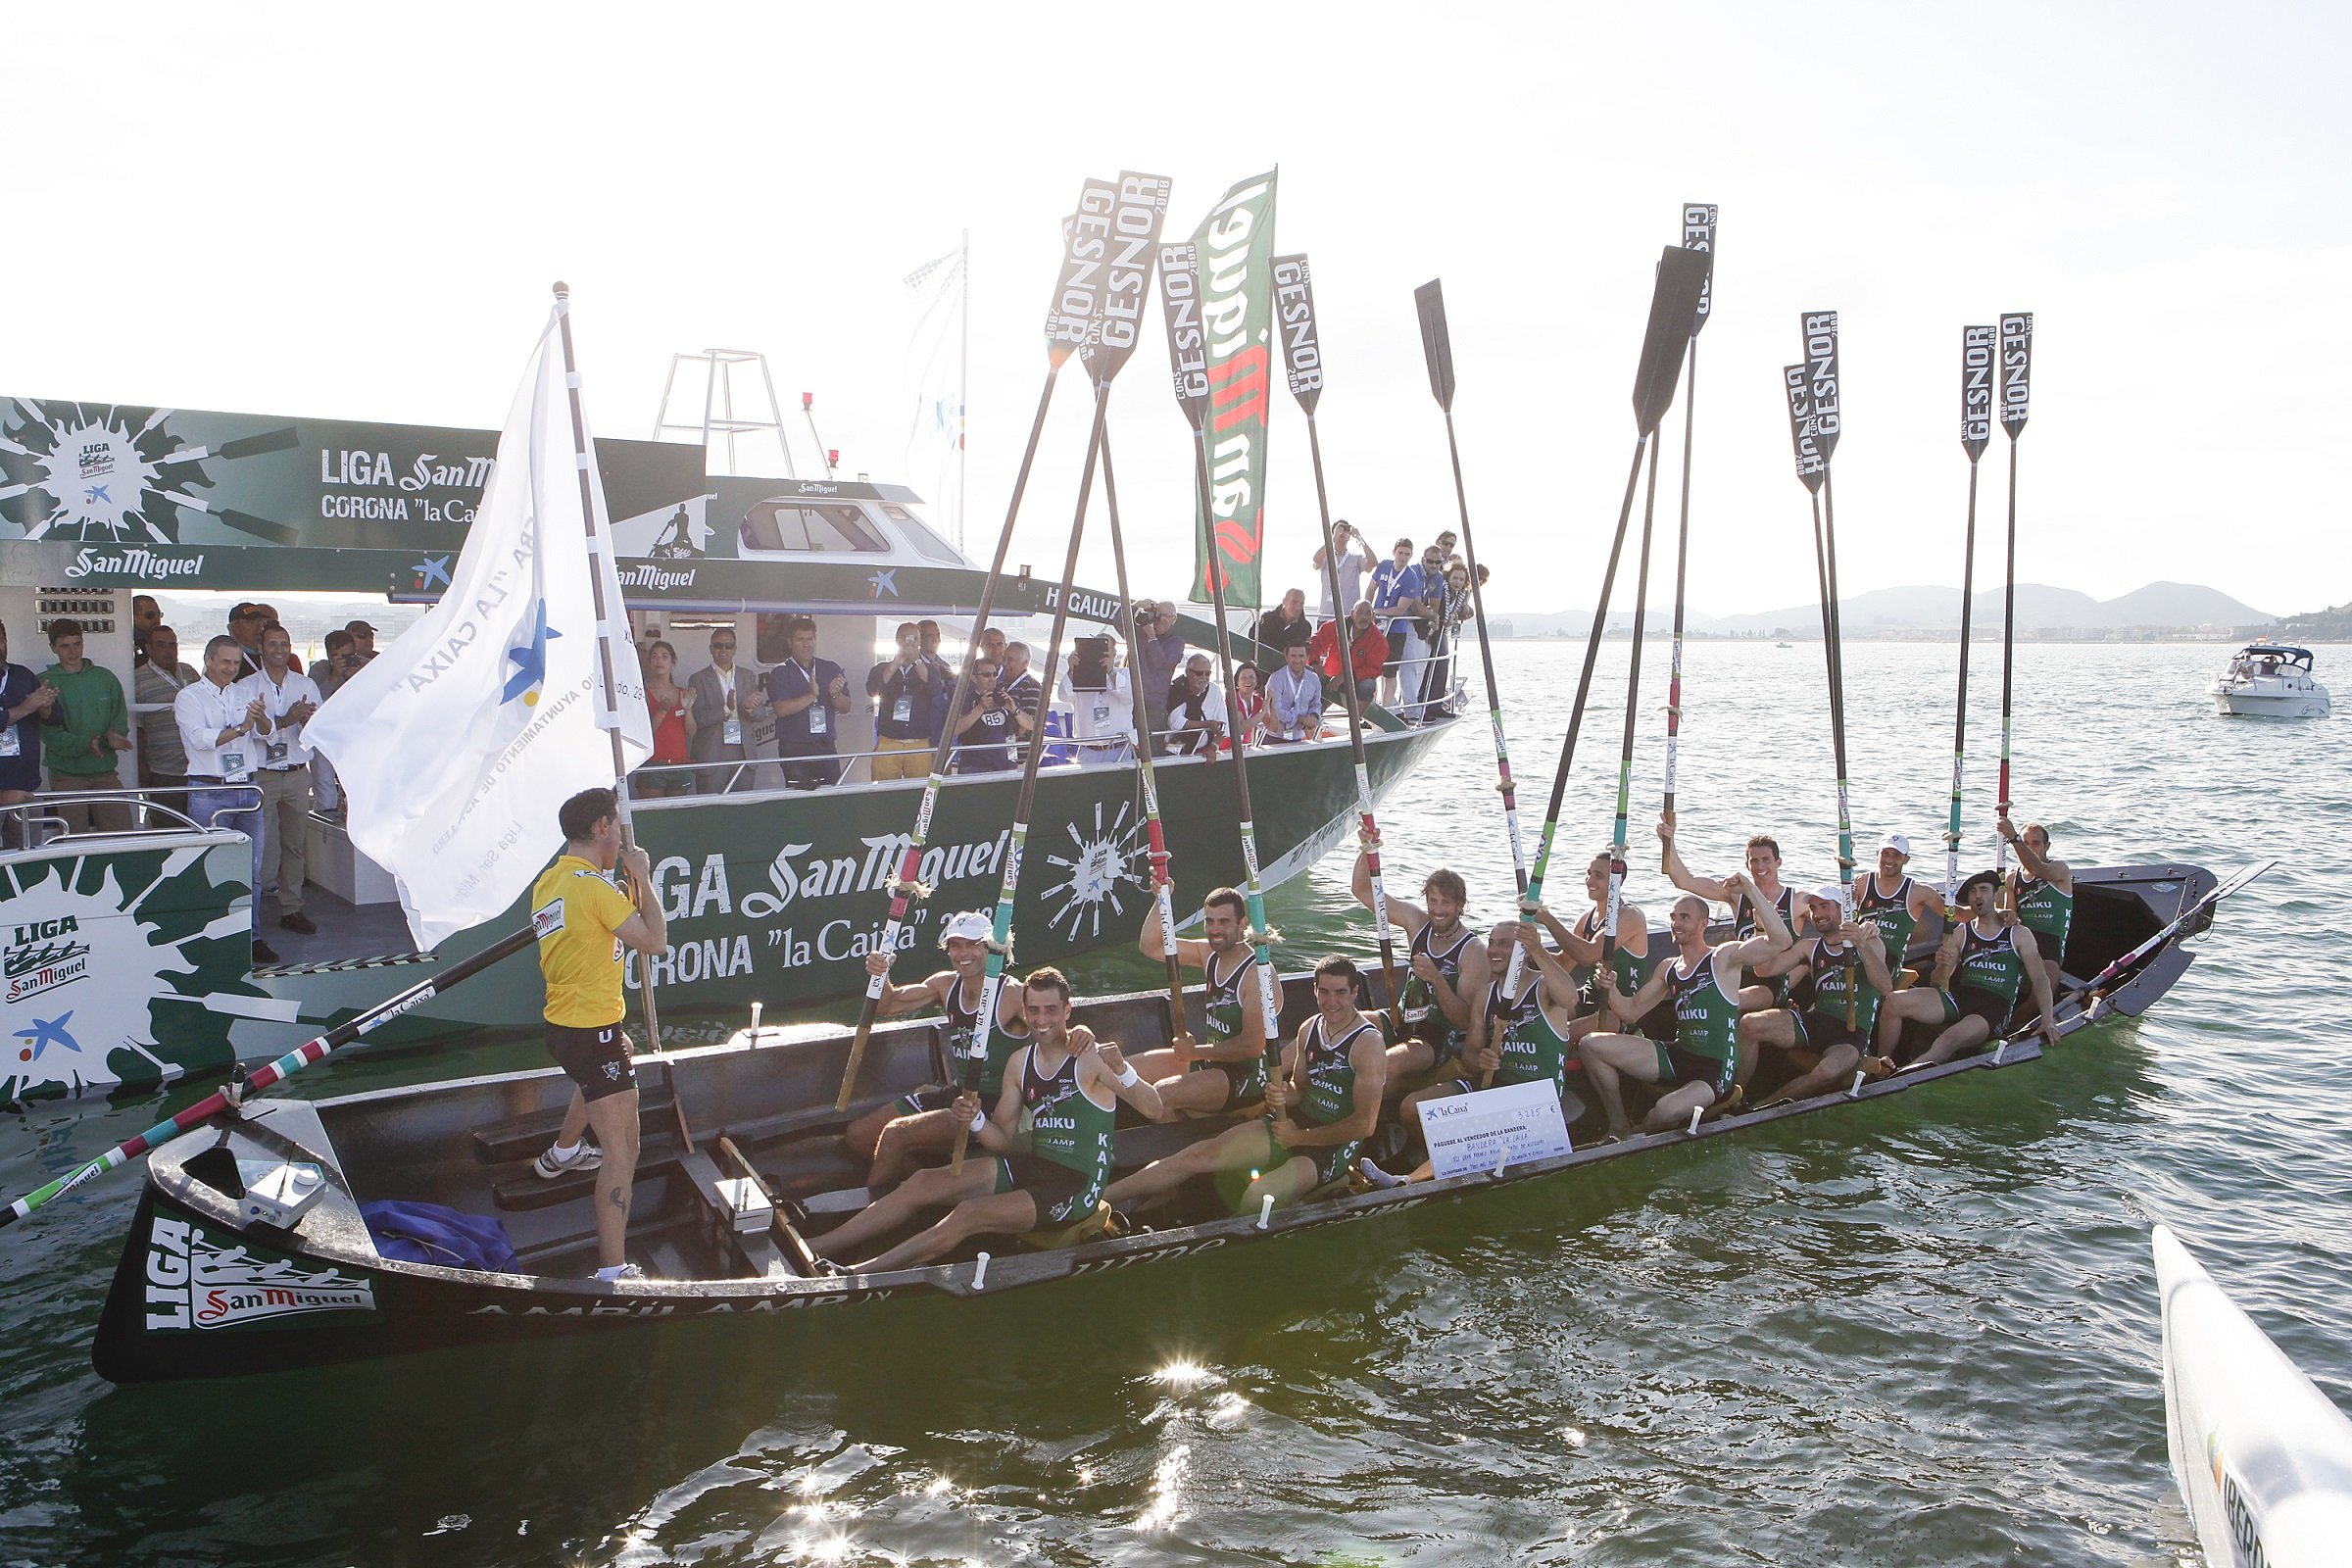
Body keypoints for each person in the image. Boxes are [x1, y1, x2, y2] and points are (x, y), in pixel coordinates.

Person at [812, 968, 1164, 1272]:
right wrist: (977, 1119)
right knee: (922, 1182)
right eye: (1035, 1010)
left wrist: (1124, 1071)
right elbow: (1003, 1140)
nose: (1042, 1020)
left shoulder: (1091, 1059)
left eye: (1052, 1010)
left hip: (1075, 1187)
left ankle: (854, 1272)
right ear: (1024, 1012)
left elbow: (1155, 1110)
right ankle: (820, 1246)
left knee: (968, 1214)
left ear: (1068, 1010)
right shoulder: (1020, 1063)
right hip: (1033, 1165)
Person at [1104, 956, 1387, 1215]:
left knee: (1258, 1195)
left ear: (1355, 993)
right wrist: (1284, 1095)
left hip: (1330, 1147)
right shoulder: (1309, 1028)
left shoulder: (1367, 1044)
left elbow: (1364, 1124)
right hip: (1290, 1125)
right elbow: (1299, 1090)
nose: (1331, 1001)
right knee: (1196, 1155)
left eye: (1340, 992)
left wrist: (1300, 1138)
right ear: (1315, 991)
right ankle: (1103, 1199)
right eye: (1323, 992)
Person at [527, 788, 670, 1282]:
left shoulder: (552, 882)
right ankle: (612, 1270)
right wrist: (644, 877)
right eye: (615, 827)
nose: (620, 838)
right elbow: (655, 942)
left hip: (565, 1026)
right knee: (623, 1149)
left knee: (609, 1062)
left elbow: (595, 922)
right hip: (591, 1031)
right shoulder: (594, 889)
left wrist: (621, 880)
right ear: (602, 828)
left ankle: (563, 1153)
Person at [1577, 874, 1792, 1139]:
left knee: (1664, 1111)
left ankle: (1640, 1135)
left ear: (1704, 924)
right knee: (1590, 1044)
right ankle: (1619, 1125)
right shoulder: (1668, 967)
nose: (1676, 923)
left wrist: (1749, 889)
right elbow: (1629, 1011)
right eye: (1673, 917)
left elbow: (1781, 941)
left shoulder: (1723, 957)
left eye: (1684, 917)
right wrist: (1610, 989)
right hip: (1679, 1055)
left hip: (1714, 1069)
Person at [1381, 919, 1582, 1183]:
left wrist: (1538, 950)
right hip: (1493, 1086)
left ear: (1524, 950)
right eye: (1491, 942)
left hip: (1536, 1100)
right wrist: (1481, 1060)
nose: (1493, 950)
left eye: (1504, 944)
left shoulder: (1544, 988)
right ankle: (1443, 1168)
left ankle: (1409, 1181)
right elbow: (1470, 1055)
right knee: (1412, 1107)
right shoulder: (1486, 996)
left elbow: (1570, 998)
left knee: (1472, 1130)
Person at [845, 910, 1031, 1187]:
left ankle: (876, 1210)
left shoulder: (1014, 994)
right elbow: (887, 1005)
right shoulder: (945, 984)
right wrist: (881, 975)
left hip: (995, 1105)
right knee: (858, 1135)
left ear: (991, 948)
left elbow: (1054, 1032)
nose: (963, 953)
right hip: (958, 1092)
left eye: (972, 944)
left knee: (896, 1134)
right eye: (955, 945)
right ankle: (926, 1184)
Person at [1883, 869, 2060, 1069]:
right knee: (1893, 1002)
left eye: (1984, 890)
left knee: (1948, 1039)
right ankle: (1881, 1066)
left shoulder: (2018, 933)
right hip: (1962, 996)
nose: (1978, 896)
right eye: (1972, 892)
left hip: (1993, 1006)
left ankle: (1900, 1077)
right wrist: (1942, 965)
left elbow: (2040, 979)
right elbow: (1938, 983)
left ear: (1995, 895)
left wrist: (2048, 1020)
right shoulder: (1961, 933)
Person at [1738, 887, 1898, 1106]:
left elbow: (1885, 987)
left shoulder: (1870, 941)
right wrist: (1760, 927)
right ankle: (1736, 1097)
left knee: (1826, 1071)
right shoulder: (1808, 947)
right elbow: (1764, 970)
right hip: (1817, 1021)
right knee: (1748, 1025)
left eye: (1824, 906)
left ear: (1843, 911)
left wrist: (1860, 944)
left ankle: (1762, 1106)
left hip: (1851, 1034)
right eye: (1813, 908)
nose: (1818, 913)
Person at [1119, 889, 1269, 1118]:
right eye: (1209, 921)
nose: (1215, 930)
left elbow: (1251, 1046)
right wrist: (1162, 897)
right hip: (1210, 1063)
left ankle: (1177, 1145)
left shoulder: (1256, 976)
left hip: (1246, 1076)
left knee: (1160, 1095)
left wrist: (1195, 1052)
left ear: (1242, 924)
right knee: (1120, 1072)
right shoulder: (1209, 954)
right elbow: (1151, 946)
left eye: (1224, 922)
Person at [174, 634, 277, 963]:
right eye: (225, 662)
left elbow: (269, 734)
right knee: (208, 866)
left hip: (246, 788)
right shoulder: (189, 697)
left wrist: (259, 718)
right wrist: (242, 727)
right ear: (208, 660)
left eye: (235, 662)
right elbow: (201, 740)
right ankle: (209, 935)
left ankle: (252, 936)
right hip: (209, 789)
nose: (231, 668)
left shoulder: (244, 692)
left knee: (253, 869)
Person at [1352, 835, 1487, 1088]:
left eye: (1445, 903)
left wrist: (1437, 979)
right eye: (1432, 901)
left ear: (1460, 906)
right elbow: (1363, 892)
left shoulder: (1473, 952)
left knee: (1385, 1064)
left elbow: (1465, 1021)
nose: (1437, 910)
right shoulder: (1417, 922)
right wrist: (1367, 848)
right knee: (1336, 1026)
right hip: (1399, 1018)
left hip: (1433, 1038)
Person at [1659, 816, 1806, 1008]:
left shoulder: (1797, 900)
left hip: (1771, 982)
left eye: (1766, 860)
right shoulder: (1737, 895)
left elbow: (1831, 915)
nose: (1760, 867)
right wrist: (1668, 841)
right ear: (1747, 865)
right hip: (1736, 974)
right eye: (1754, 861)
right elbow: (1684, 881)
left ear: (1778, 862)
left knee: (1724, 1003)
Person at [249, 624, 323, 934]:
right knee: (260, 846)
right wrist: (287, 720)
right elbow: (252, 731)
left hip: (295, 775)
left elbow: (320, 731)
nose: (279, 649)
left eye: (284, 643)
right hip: (262, 775)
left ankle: (291, 909)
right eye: (273, 644)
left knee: (294, 846)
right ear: (261, 648)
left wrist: (307, 722)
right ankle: (253, 914)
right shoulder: (247, 686)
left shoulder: (305, 684)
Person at [37, 618, 134, 833]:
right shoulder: (44, 682)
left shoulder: (105, 678)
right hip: (66, 774)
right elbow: (49, 734)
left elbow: (119, 716)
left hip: (105, 771)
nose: (73, 651)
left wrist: (115, 735)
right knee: (73, 836)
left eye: (77, 644)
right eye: (65, 646)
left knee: (123, 833)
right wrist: (85, 744)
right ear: (53, 647)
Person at [1998, 813, 2075, 1003]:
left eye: (2035, 843)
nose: (2030, 848)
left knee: (2043, 991)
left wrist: (2014, 839)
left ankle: (2018, 1027)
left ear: (2047, 847)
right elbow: (2009, 915)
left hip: (2050, 946)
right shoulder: (2012, 878)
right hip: (2023, 941)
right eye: (2025, 843)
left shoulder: (2059, 870)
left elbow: (2038, 870)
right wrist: (2005, 915)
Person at [764, 617, 849, 788]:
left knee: (831, 799)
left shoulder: (830, 668)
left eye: (810, 639)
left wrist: (835, 694)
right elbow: (781, 709)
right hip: (795, 749)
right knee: (799, 803)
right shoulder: (780, 672)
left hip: (826, 747)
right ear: (790, 642)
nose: (806, 644)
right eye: (800, 639)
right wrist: (811, 695)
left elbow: (846, 707)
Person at [690, 624, 768, 794]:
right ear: (711, 649)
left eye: (728, 646)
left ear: (735, 649)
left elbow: (761, 714)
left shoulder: (747, 676)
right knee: (711, 810)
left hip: (743, 751)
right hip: (713, 752)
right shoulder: (698, 679)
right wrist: (726, 709)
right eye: (718, 645)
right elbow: (699, 719)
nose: (723, 649)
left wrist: (748, 707)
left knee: (743, 809)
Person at [0, 621, 56, 847]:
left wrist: (45, 705)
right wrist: (26, 707)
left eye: (1, 639)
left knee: (28, 861)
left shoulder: (23, 675)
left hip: (25, 787)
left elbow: (54, 719)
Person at [866, 622, 938, 783]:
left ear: (919, 642)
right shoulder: (882, 668)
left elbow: (935, 689)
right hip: (888, 741)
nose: (909, 643)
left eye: (913, 639)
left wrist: (916, 662)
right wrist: (895, 665)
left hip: (919, 743)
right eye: (905, 639)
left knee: (919, 791)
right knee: (883, 790)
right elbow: (873, 689)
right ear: (897, 641)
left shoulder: (930, 668)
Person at [134, 626, 199, 795]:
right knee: (167, 820)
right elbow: (137, 729)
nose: (168, 650)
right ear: (149, 648)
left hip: (198, 765)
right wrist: (142, 767)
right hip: (163, 769)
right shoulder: (137, 679)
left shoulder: (190, 672)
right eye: (161, 645)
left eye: (172, 645)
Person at [1059, 637, 1134, 767]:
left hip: (1118, 750)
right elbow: (1063, 696)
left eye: (1105, 649)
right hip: (1087, 751)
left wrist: (1111, 672)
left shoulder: (1125, 674)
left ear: (1114, 653)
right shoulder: (1078, 677)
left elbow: (1130, 696)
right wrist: (1072, 671)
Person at [952, 657, 1029, 773]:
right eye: (987, 675)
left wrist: (1014, 709)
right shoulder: (966, 699)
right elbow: (956, 729)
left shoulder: (1003, 697)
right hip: (976, 768)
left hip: (1007, 765)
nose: (992, 679)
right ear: (974, 677)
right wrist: (980, 708)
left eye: (995, 674)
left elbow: (1031, 725)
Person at [638, 640, 695, 798]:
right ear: (649, 662)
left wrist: (688, 710)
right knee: (653, 815)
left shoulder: (682, 693)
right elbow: (645, 733)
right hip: (653, 762)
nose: (659, 661)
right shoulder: (643, 693)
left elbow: (692, 732)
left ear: (673, 662)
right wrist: (661, 712)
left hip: (679, 762)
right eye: (654, 657)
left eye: (664, 656)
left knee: (677, 816)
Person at [1369, 536, 1421, 708]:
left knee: (1390, 671)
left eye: (1407, 554)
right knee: (1370, 670)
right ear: (1394, 552)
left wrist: (1377, 611)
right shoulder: (1384, 565)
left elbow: (1399, 610)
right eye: (1400, 553)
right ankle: (1369, 708)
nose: (1403, 557)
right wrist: (1366, 610)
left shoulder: (1411, 578)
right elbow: (1370, 589)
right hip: (1375, 627)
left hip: (1396, 630)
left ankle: (1386, 709)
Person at [1307, 599, 1386, 710]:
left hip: (1357, 681)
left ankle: (1356, 722)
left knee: (1368, 686)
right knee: (1313, 686)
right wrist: (1314, 662)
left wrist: (1346, 676)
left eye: (1368, 613)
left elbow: (1373, 669)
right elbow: (1316, 642)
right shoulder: (1337, 625)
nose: (1363, 617)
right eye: (1360, 612)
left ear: (1373, 616)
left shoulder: (1378, 640)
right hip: (1331, 676)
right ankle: (1312, 720)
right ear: (1352, 613)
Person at [1131, 602, 1186, 746]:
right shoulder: (1140, 633)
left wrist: (1152, 637)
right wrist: (1136, 605)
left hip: (1153, 706)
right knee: (1129, 747)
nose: (1161, 619)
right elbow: (1118, 622)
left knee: (1151, 748)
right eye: (1158, 614)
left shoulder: (1176, 643)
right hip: (1131, 701)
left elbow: (1162, 663)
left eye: (1166, 616)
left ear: (1174, 619)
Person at [1162, 655, 1228, 757]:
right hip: (1175, 753)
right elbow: (1176, 723)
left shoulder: (1214, 690)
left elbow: (1224, 725)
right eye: (1199, 673)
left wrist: (1213, 747)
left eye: (1207, 673)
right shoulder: (1175, 689)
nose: (1204, 677)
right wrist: (1208, 724)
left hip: (1204, 752)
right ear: (1187, 672)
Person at [1312, 520, 1375, 622]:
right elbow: (1316, 560)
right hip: (1327, 615)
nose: (1343, 532)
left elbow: (1372, 563)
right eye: (1340, 529)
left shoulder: (1356, 559)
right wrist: (1333, 538)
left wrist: (1359, 538)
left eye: (1346, 530)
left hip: (1349, 616)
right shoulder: (1326, 556)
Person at [915, 620, 956, 744]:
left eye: (937, 635)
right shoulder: (912, 665)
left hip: (944, 732)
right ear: (919, 639)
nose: (935, 639)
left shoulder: (944, 666)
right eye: (929, 635)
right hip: (921, 733)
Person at [1225, 662, 1267, 751]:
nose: (1248, 680)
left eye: (1251, 677)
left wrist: (1271, 699)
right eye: (1243, 678)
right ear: (1237, 683)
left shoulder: (1259, 701)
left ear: (1257, 682)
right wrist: (1263, 712)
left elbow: (1273, 727)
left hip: (1247, 748)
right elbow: (1241, 728)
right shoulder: (1231, 700)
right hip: (1227, 750)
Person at [1252, 588, 1310, 652]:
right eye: (1294, 602)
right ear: (1284, 601)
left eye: (1301, 604)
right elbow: (1252, 638)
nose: (1298, 607)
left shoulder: (1305, 628)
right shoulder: (1267, 618)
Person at [1002, 642, 1044, 721]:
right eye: (1004, 659)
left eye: (1010, 659)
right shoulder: (1001, 683)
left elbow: (1031, 723)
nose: (1005, 663)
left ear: (1025, 663)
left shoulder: (1032, 686)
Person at [131, 594, 162, 667]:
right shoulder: (126, 643)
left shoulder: (157, 640)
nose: (157, 620)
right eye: (150, 615)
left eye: (159, 615)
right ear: (133, 617)